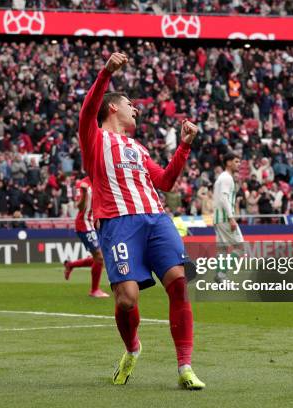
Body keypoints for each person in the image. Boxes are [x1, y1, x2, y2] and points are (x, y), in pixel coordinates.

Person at [79, 52, 204, 389]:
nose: (136, 109)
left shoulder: (137, 148)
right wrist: (106, 72)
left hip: (155, 219)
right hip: (119, 224)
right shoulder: (94, 138)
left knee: (179, 283)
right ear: (113, 108)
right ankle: (132, 349)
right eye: (130, 104)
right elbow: (87, 110)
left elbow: (163, 182)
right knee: (127, 299)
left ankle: (185, 367)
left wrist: (184, 147)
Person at [63, 176, 109, 298]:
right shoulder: (83, 184)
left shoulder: (102, 179)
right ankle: (94, 290)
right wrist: (83, 193)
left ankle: (71, 265)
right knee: (99, 257)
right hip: (84, 224)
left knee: (100, 258)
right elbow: (80, 207)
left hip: (95, 224)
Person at [213, 153, 243, 282]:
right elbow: (223, 198)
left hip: (218, 218)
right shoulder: (227, 178)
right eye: (236, 161)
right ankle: (221, 274)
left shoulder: (221, 178)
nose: (239, 164)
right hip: (225, 218)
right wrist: (231, 217)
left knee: (223, 249)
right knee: (240, 247)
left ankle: (221, 276)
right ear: (228, 163)